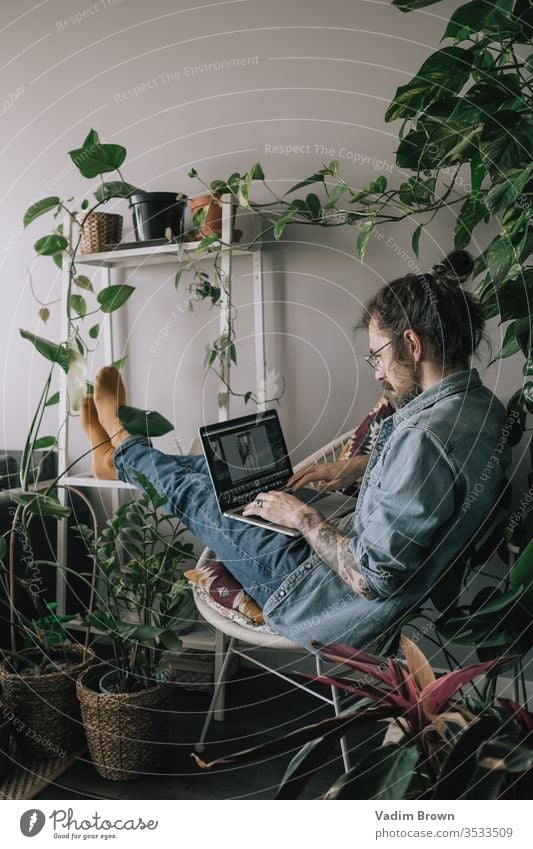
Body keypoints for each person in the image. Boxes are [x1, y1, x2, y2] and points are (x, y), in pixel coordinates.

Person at [81, 250, 511, 651]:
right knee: (220, 472)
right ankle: (119, 457)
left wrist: (300, 517)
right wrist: (361, 466)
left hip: (312, 592)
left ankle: (121, 444)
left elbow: (369, 578)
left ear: (413, 345)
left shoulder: (424, 438)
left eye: (377, 354)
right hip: (334, 555)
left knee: (201, 493)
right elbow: (433, 482)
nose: (378, 371)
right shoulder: (479, 407)